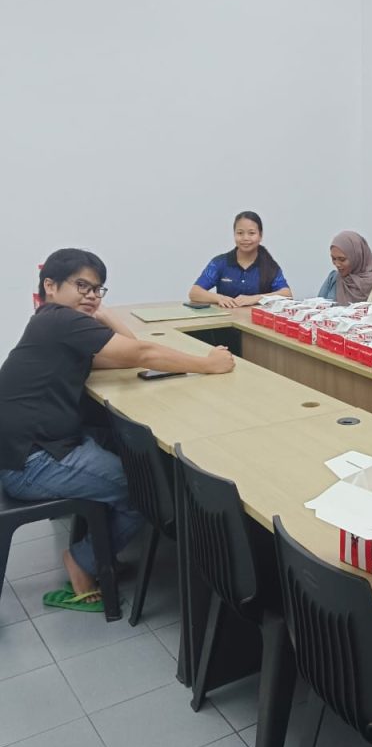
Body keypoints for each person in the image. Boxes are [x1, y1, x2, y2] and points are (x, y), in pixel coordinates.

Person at [0, 248, 236, 612]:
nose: (91, 295)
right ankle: (83, 562)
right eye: (82, 286)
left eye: (97, 289)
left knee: (131, 450)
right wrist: (208, 364)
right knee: (144, 487)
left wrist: (106, 315)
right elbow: (141, 353)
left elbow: (125, 355)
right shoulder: (61, 320)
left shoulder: (50, 322)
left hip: (36, 446)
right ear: (50, 285)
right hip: (33, 461)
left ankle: (99, 546)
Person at [189, 211, 292, 309]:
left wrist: (255, 299)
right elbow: (194, 293)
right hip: (225, 319)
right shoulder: (220, 262)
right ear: (234, 234)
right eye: (240, 233)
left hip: (256, 320)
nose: (245, 238)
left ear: (260, 236)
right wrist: (219, 298)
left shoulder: (270, 266)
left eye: (251, 233)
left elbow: (287, 294)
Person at [317, 231, 372, 306]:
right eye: (334, 259)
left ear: (357, 257)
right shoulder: (333, 278)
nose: (337, 264)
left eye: (342, 259)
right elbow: (317, 306)